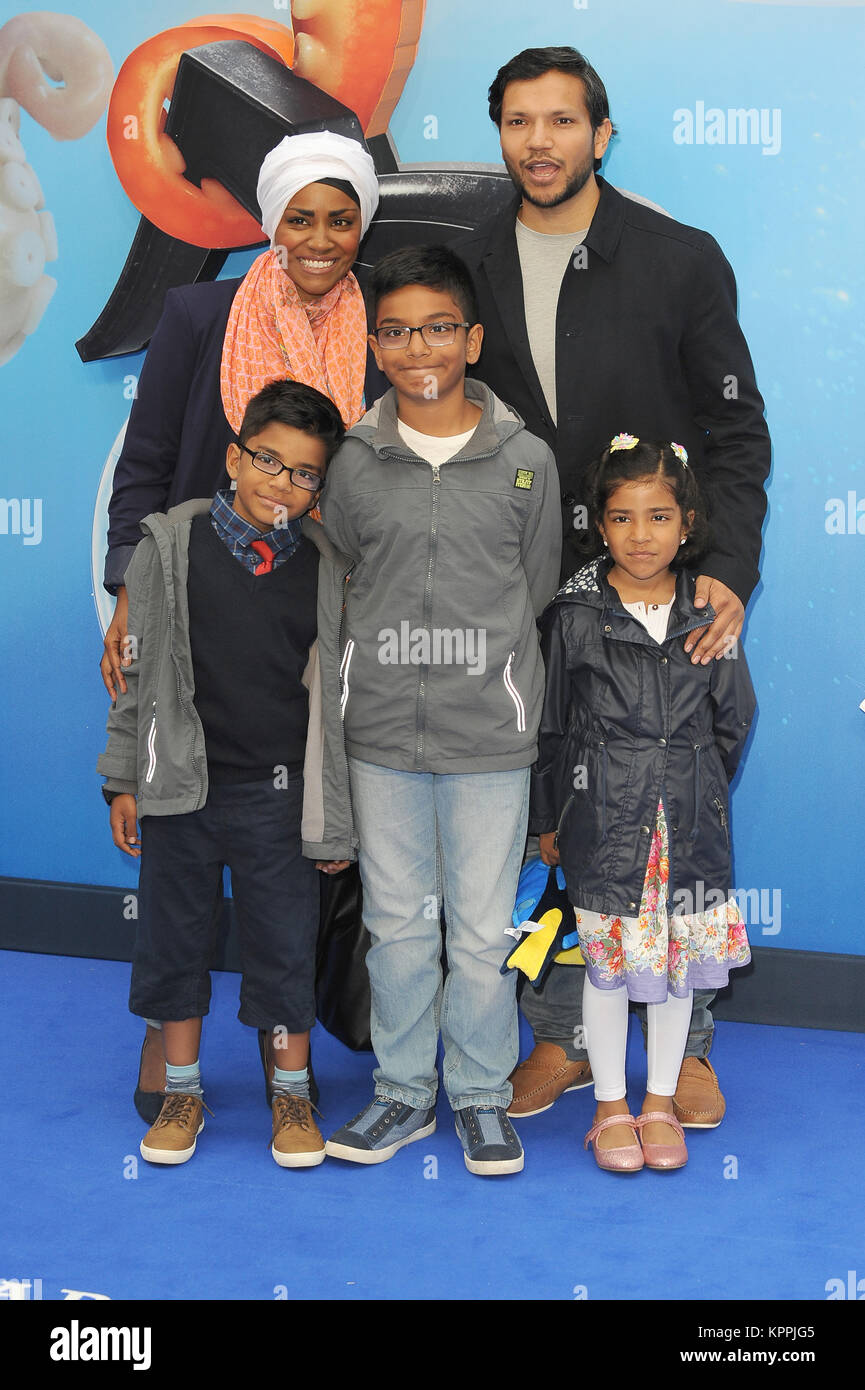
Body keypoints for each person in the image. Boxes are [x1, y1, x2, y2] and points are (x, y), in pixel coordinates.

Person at [453, 46, 770, 1123]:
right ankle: (561, 1033)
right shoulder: (470, 261)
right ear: (498, 133)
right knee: (557, 818)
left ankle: (687, 1049)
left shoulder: (679, 258)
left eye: (559, 121)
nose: (537, 142)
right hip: (529, 595)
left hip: (663, 593)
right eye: (516, 123)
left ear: (601, 131)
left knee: (674, 802)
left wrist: (724, 568)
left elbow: (736, 428)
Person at [98, 130, 380, 1121]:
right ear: (270, 221)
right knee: (180, 845)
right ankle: (164, 1035)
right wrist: (128, 585)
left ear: (361, 228)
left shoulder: (383, 327)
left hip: (313, 613)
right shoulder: (197, 312)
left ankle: (281, 1039)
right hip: (196, 601)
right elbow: (149, 460)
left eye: (340, 219)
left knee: (284, 853)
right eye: (300, 216)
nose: (319, 238)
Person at [317, 245, 562, 1175]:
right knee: (398, 925)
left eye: (437, 327)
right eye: (396, 331)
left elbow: (533, 588)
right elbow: (342, 580)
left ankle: (480, 1096)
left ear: (472, 338)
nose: (418, 347)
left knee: (483, 929)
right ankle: (402, 1093)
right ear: (375, 344)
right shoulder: (352, 460)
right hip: (378, 734)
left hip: (489, 741)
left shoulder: (525, 461)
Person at [97, 381, 354, 1167]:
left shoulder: (324, 567)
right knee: (174, 943)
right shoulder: (168, 546)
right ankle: (182, 1089)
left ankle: (291, 1095)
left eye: (304, 473)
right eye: (267, 460)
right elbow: (135, 680)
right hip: (181, 787)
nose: (281, 481)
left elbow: (343, 699)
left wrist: (335, 814)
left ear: (319, 491)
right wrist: (122, 778)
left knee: (283, 947)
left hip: (281, 799)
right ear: (233, 456)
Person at [531, 435, 755, 1171]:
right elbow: (553, 725)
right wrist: (549, 819)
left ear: (687, 522)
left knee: (675, 974)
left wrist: (691, 786)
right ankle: (609, 1106)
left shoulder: (707, 614)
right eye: (622, 518)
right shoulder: (574, 616)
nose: (640, 535)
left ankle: (659, 1100)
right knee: (606, 969)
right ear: (598, 525)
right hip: (602, 827)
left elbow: (732, 721)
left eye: (658, 517)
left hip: (687, 828)